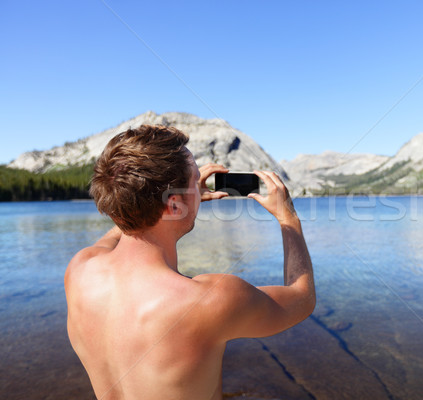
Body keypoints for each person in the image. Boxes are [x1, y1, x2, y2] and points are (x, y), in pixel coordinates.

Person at [64, 125, 315, 400]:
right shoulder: (208, 300)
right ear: (173, 205)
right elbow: (302, 298)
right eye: (195, 179)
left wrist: (184, 197)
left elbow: (123, 223)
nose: (199, 186)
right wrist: (288, 219)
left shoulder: (80, 270)